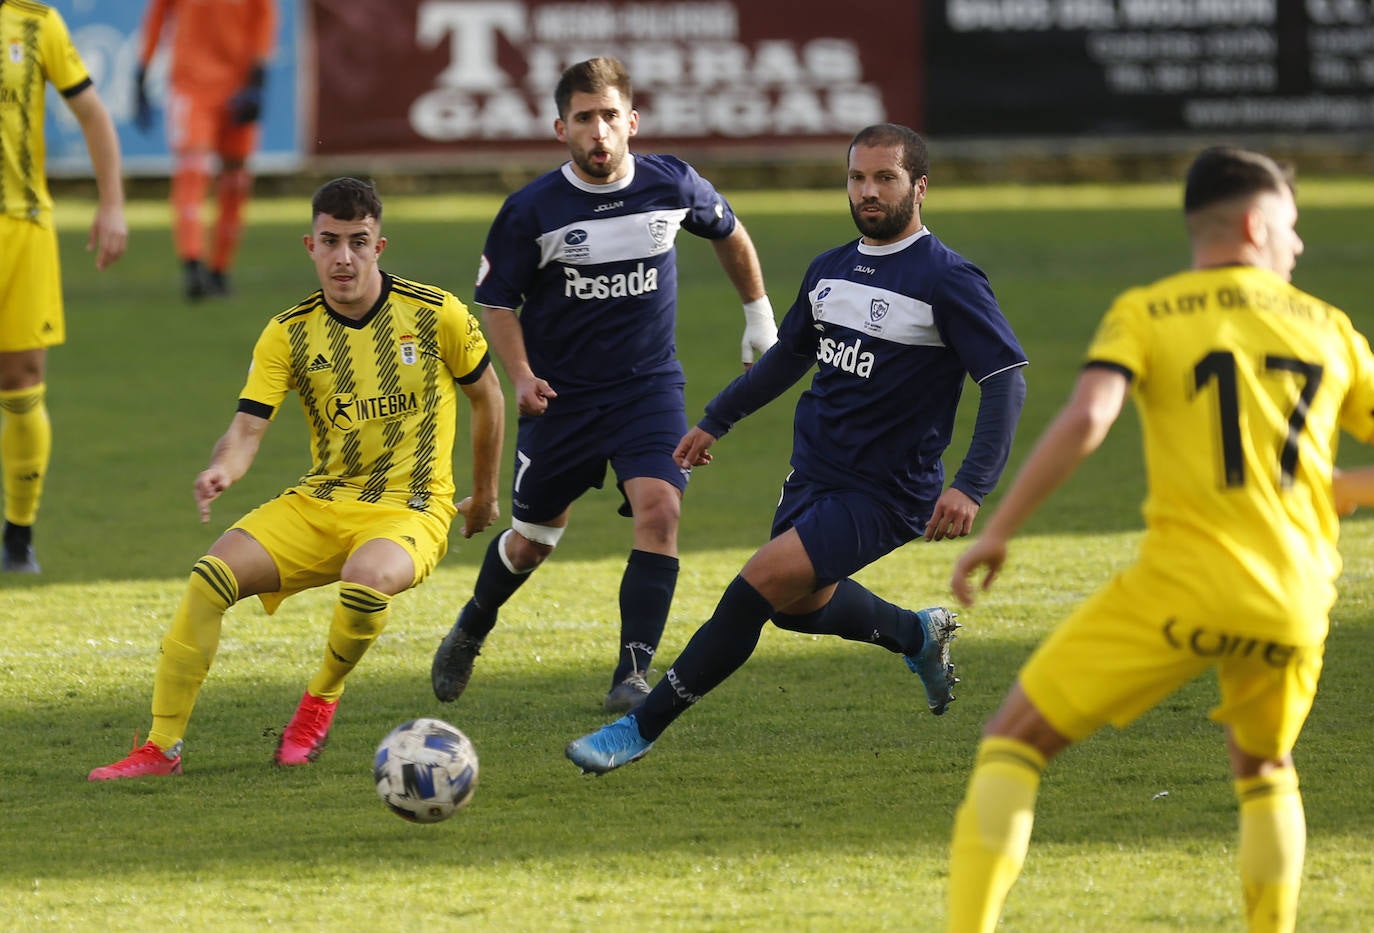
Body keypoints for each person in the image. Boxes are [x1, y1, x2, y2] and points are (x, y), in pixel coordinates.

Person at [944, 147, 1374, 933]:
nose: (1299, 245)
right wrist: (1336, 488)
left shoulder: (1148, 309)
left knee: (1013, 740)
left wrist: (999, 529)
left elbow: (1089, 419)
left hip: (1184, 583)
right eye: (1292, 226)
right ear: (1254, 224)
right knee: (1267, 767)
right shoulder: (1334, 330)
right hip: (1296, 597)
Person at [565, 122, 1029, 774]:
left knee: (756, 585)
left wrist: (971, 484)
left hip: (886, 491)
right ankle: (914, 633)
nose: (868, 191)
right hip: (814, 473)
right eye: (858, 177)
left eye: (885, 178)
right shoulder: (830, 269)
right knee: (795, 607)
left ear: (919, 186)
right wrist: (716, 419)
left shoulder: (947, 279)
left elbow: (1005, 382)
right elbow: (789, 357)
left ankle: (638, 727)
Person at [89, 178, 504, 780]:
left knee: (365, 582)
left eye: (357, 242)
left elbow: (488, 399)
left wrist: (486, 494)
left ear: (378, 246)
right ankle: (160, 750)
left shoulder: (436, 313)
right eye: (330, 242)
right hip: (321, 501)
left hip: (410, 506)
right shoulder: (288, 331)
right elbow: (247, 430)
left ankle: (318, 704)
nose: (343, 257)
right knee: (209, 579)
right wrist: (221, 470)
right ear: (309, 245)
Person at [430, 56, 778, 714]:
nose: (599, 131)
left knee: (661, 510)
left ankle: (632, 672)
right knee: (532, 541)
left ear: (632, 122)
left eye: (610, 116)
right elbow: (498, 303)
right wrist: (524, 375)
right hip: (561, 400)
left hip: (648, 389)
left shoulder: (671, 183)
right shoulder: (532, 210)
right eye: (584, 118)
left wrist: (759, 319)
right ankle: (473, 624)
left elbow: (729, 232)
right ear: (560, 127)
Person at [1, 0, 128, 574]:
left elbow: (93, 114)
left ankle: (18, 538)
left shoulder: (34, 22)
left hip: (21, 225)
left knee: (22, 379)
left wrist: (113, 205)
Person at [134, 0, 275, 300]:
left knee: (236, 181)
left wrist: (259, 77)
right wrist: (141, 72)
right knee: (192, 172)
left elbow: (264, 18)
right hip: (191, 85)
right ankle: (192, 265)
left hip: (238, 85)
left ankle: (220, 271)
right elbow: (157, 16)